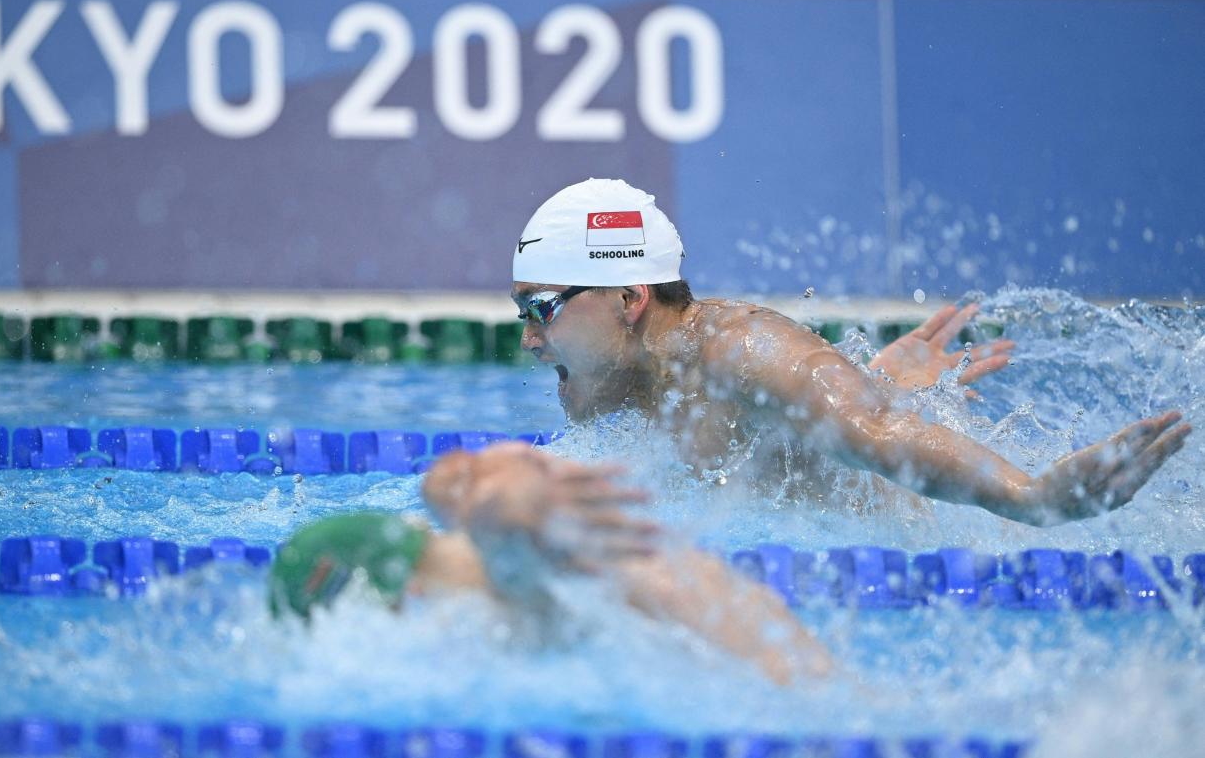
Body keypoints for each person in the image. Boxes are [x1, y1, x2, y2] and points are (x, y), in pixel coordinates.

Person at [510, 179, 1191, 525]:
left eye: (540, 309)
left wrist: (1031, 494)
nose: (529, 337)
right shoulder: (604, 388)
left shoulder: (738, 350)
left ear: (629, 299)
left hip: (931, 546)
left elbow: (876, 427)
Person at [270, 442, 832, 685]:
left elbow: (500, 504)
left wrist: (525, 506)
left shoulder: (513, 564)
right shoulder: (505, 573)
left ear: (405, 598)